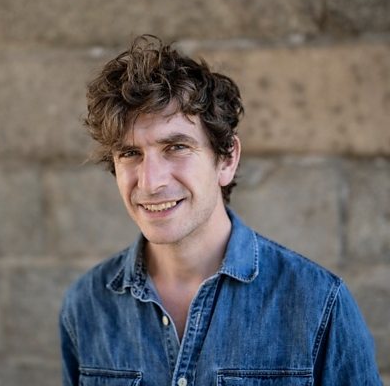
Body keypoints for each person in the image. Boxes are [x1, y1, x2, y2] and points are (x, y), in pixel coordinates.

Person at [59, 35, 382, 385]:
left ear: (226, 160)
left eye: (176, 147)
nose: (150, 182)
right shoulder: (86, 304)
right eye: (130, 153)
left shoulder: (318, 303)